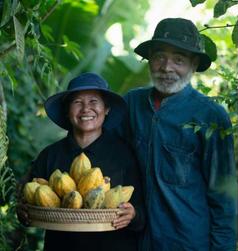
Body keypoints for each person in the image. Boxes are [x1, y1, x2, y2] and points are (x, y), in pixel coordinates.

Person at [117, 18, 237, 250]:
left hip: (187, 242)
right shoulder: (132, 104)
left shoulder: (210, 116)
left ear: (193, 65)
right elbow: (100, 149)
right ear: (150, 59)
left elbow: (224, 199)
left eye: (179, 60)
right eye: (159, 57)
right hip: (135, 239)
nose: (167, 67)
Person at [17, 73, 145, 251]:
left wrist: (134, 214)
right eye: (77, 102)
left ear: (106, 109)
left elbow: (143, 209)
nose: (86, 109)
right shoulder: (49, 155)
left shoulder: (125, 155)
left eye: (94, 101)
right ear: (67, 111)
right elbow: (29, 204)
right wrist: (24, 213)